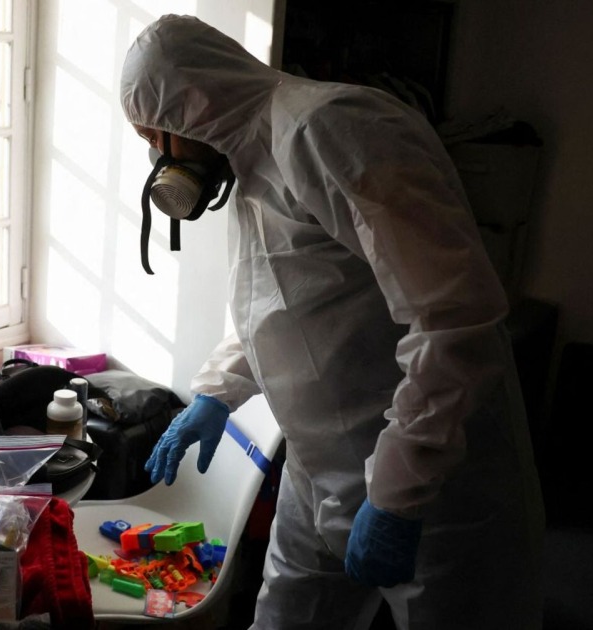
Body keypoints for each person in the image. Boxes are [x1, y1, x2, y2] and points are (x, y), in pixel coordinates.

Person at [122, 15, 544, 630]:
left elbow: (455, 318)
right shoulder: (251, 161)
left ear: (192, 106)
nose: (160, 159)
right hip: (320, 468)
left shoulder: (329, 129)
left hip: (430, 480)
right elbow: (288, 306)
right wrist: (217, 392)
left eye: (159, 137)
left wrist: (398, 491)